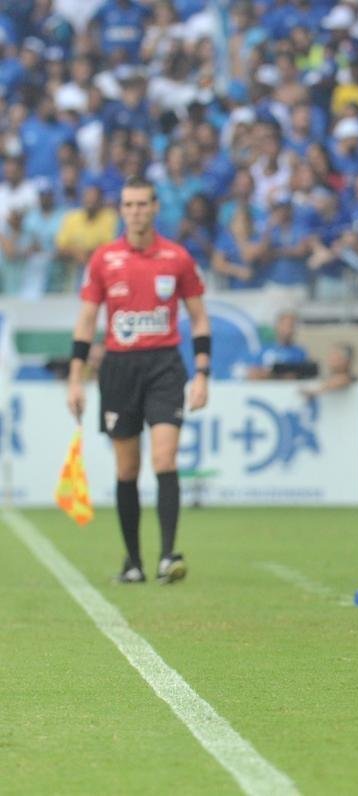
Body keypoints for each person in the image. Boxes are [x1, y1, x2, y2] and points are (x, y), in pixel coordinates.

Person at [65, 176, 210, 585]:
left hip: (164, 365)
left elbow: (199, 317)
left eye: (142, 204)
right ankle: (133, 563)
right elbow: (86, 321)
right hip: (119, 368)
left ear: (155, 207)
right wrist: (76, 380)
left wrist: (202, 372)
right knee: (127, 469)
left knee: (164, 458)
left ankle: (168, 556)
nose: (136, 212)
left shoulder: (177, 258)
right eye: (128, 205)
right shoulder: (104, 259)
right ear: (121, 210)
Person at [244, 310, 310, 380]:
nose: (288, 330)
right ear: (277, 326)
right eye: (285, 325)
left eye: (291, 326)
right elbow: (253, 374)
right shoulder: (264, 350)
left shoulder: (299, 352)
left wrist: (270, 374)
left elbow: (297, 375)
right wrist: (275, 374)